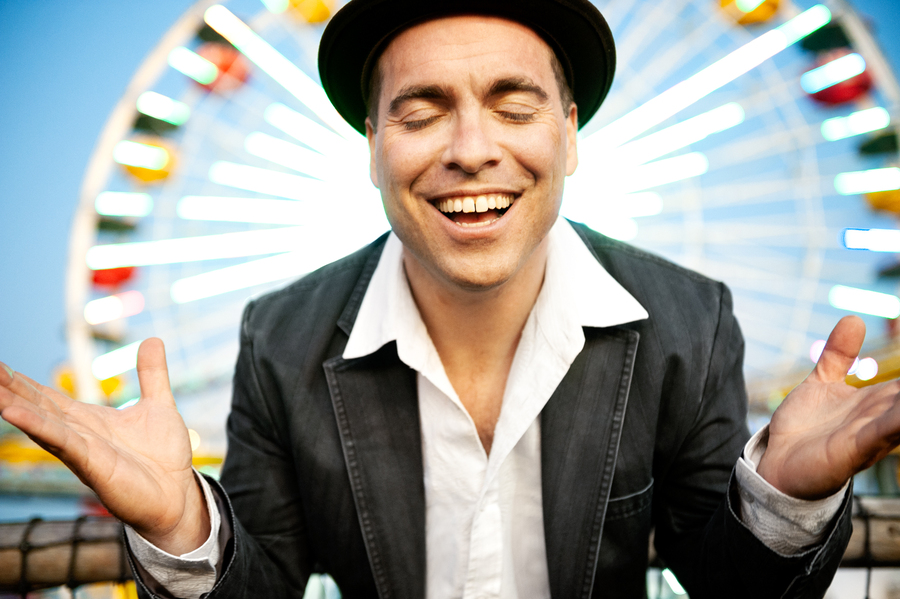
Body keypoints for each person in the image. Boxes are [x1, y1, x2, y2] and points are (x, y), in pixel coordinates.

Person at [1, 0, 898, 597]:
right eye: (422, 112)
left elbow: (728, 580)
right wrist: (181, 524)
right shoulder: (280, 339)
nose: (471, 148)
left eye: (513, 105)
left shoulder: (685, 322)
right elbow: (259, 585)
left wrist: (783, 494)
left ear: (571, 132)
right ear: (371, 147)